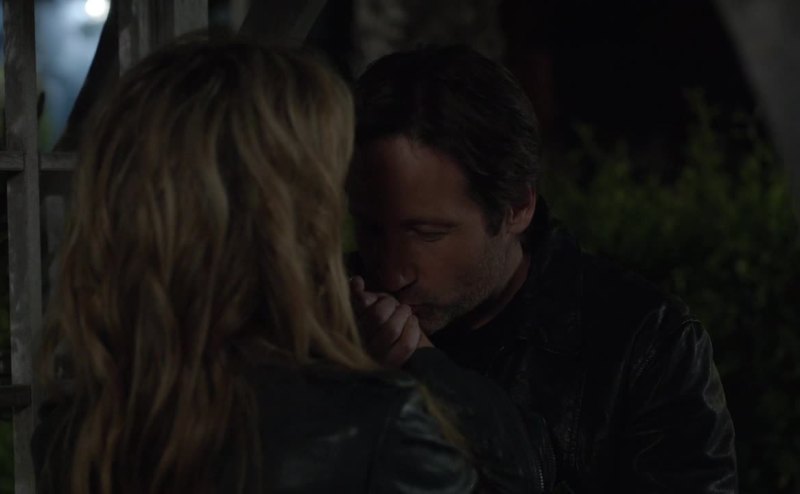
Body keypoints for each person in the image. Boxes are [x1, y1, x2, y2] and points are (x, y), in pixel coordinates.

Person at [32, 36, 544, 494]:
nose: (391, 270)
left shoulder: (77, 431)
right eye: (341, 205)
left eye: (426, 232)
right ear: (283, 216)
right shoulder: (381, 432)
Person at [347, 45, 738, 493]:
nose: (393, 274)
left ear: (517, 207)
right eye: (370, 229)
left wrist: (437, 385)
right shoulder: (326, 314)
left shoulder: (644, 346)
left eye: (427, 234)